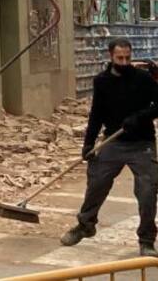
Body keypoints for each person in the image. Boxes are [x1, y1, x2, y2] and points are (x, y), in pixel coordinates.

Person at [62, 37, 158, 257]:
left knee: (147, 192)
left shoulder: (143, 79)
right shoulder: (102, 81)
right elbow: (96, 114)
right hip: (113, 142)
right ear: (111, 56)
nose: (124, 62)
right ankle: (86, 225)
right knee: (97, 182)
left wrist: (140, 117)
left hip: (142, 144)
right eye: (119, 58)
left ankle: (146, 241)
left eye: (127, 58)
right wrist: (88, 143)